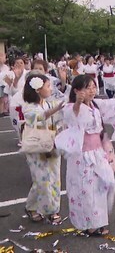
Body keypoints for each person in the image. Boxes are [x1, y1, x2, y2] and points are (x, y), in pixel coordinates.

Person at [56, 75, 115, 236]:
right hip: (82, 158)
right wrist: (77, 102)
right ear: (77, 91)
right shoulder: (70, 107)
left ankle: (98, 220)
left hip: (98, 154)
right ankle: (91, 225)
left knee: (104, 185)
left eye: (93, 87)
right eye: (87, 87)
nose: (92, 90)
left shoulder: (97, 105)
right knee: (86, 190)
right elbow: (73, 114)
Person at [21, 74, 66, 224]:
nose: (50, 89)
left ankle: (47, 209)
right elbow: (38, 117)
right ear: (38, 89)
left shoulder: (49, 103)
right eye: (48, 86)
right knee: (42, 179)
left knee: (54, 177)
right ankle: (46, 210)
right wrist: (55, 109)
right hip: (36, 147)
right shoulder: (28, 107)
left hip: (52, 143)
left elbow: (59, 116)